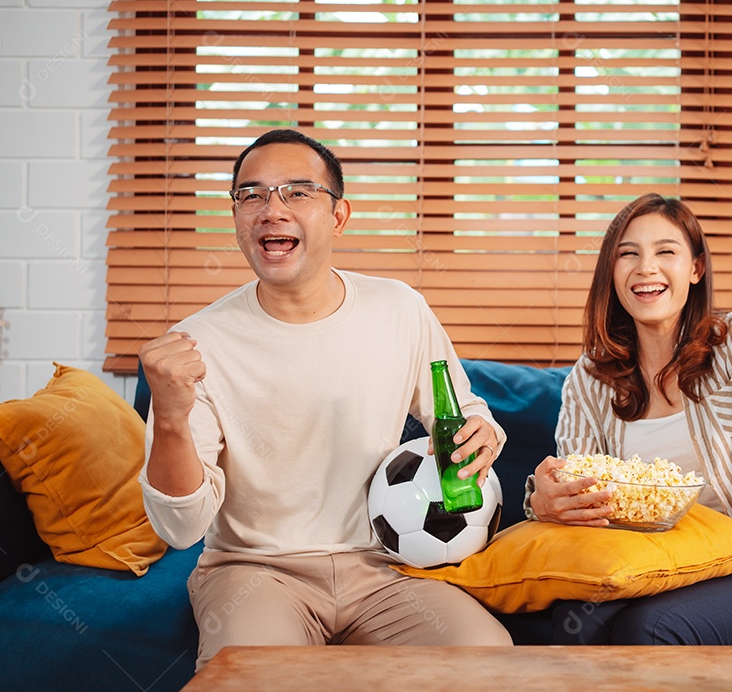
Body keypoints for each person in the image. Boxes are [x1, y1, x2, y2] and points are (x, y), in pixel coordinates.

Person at [137, 129, 513, 670]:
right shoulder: (197, 344)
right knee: (254, 679)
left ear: (338, 215)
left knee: (490, 661)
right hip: (255, 572)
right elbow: (180, 529)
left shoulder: (399, 309)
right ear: (236, 216)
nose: (271, 210)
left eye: (297, 192)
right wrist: (169, 419)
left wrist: (485, 433)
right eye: (252, 195)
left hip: (383, 567)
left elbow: (464, 410)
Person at [526, 174, 732, 645]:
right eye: (628, 253)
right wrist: (546, 500)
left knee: (650, 631)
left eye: (666, 252)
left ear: (696, 269)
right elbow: (579, 485)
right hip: (648, 562)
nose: (646, 268)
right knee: (573, 627)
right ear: (611, 272)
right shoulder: (591, 376)